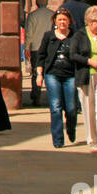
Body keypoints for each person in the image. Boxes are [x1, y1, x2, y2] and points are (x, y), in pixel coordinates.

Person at [36, 8, 79, 148]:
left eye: (64, 20)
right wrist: (39, 74)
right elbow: (41, 56)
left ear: (69, 22)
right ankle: (58, 140)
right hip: (52, 74)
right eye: (59, 19)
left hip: (70, 75)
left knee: (71, 108)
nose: (62, 22)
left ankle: (71, 129)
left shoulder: (75, 36)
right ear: (55, 20)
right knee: (55, 107)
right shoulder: (49, 36)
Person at [70, 5, 97, 154]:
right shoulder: (79, 35)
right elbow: (73, 55)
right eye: (95, 22)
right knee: (89, 109)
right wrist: (90, 61)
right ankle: (93, 140)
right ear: (88, 22)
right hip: (86, 76)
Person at [25, 0, 54, 105]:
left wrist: (27, 48)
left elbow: (29, 34)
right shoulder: (52, 14)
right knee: (50, 72)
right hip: (49, 47)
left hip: (36, 48)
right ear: (47, 1)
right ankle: (51, 95)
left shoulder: (33, 15)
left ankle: (36, 97)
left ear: (36, 2)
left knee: (36, 73)